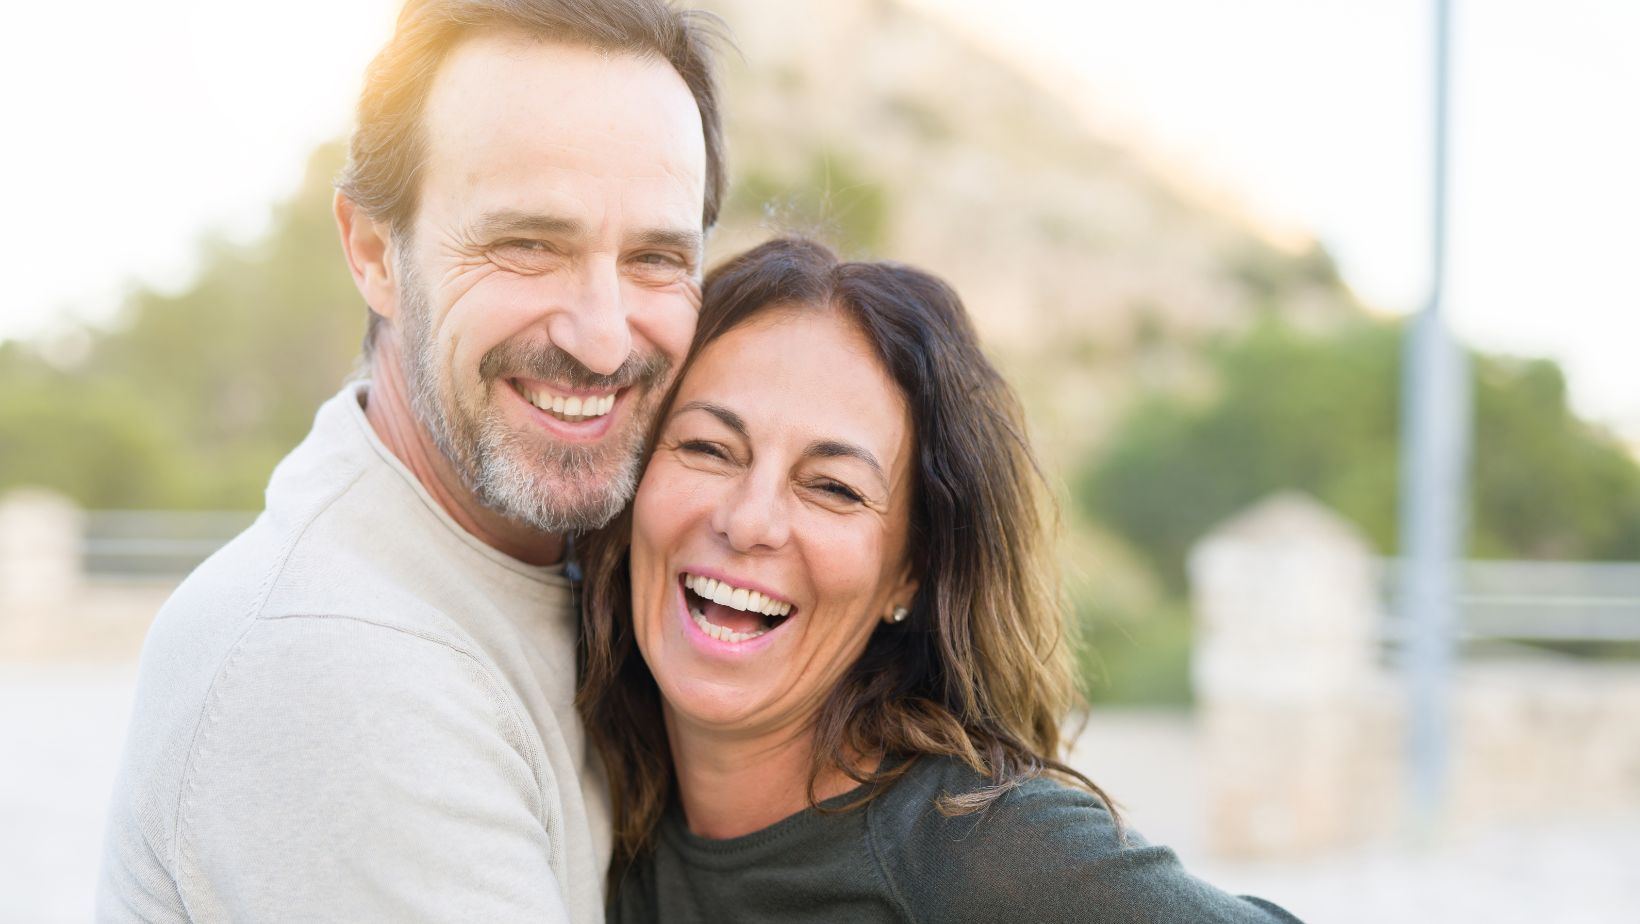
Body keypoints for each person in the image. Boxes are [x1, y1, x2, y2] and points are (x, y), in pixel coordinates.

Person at [96, 2, 727, 920]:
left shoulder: (605, 566)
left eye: (657, 257)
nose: (601, 338)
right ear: (371, 251)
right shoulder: (330, 661)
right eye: (527, 246)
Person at [577, 237, 1304, 923]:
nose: (748, 520)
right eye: (708, 447)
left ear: (912, 573)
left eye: (833, 488)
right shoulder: (586, 784)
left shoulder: (985, 848)